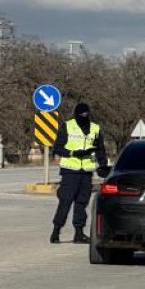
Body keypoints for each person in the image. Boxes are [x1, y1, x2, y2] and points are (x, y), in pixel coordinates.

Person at [48, 101, 108, 244]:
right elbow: (57, 148)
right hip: (70, 170)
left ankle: (79, 233)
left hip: (86, 171)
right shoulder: (68, 126)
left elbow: (100, 149)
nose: (84, 116)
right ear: (76, 114)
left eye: (86, 114)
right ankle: (56, 231)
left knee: (82, 203)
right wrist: (73, 153)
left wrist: (103, 165)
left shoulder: (95, 128)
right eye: (81, 114)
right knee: (65, 201)